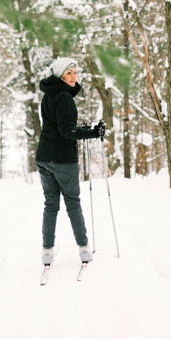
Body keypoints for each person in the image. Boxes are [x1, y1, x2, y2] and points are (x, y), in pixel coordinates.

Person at [35, 56, 105, 266]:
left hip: (44, 158)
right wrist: (93, 132)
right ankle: (84, 250)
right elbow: (66, 132)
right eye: (69, 73)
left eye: (75, 72)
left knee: (51, 205)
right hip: (63, 160)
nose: (74, 77)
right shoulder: (64, 97)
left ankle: (47, 252)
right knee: (73, 204)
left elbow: (58, 127)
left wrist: (82, 130)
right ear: (60, 76)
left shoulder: (48, 96)